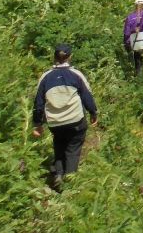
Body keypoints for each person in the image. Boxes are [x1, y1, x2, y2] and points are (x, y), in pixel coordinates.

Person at [31, 43, 98, 191]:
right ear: (70, 57)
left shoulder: (45, 77)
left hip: (55, 122)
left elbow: (39, 102)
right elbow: (87, 96)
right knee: (73, 148)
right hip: (75, 119)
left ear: (54, 57)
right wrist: (93, 112)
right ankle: (70, 179)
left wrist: (37, 124)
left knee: (59, 144)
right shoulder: (76, 75)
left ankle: (58, 174)